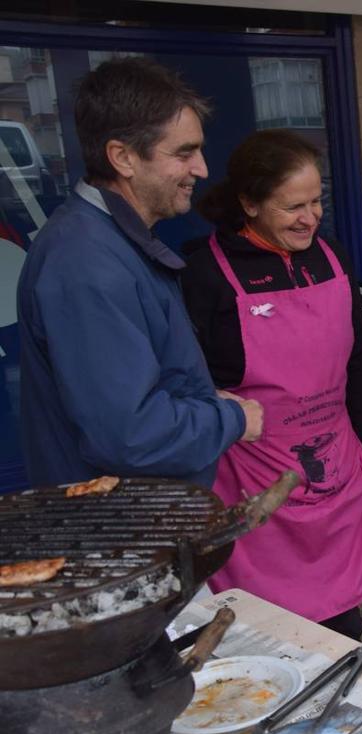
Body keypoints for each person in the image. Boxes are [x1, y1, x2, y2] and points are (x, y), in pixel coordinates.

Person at [181, 130, 362, 640]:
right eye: (293, 207)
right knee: (269, 622)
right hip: (253, 475)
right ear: (249, 203)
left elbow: (358, 361)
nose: (310, 217)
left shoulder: (332, 258)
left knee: (344, 607)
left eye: (317, 201)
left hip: (336, 460)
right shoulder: (204, 274)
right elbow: (189, 384)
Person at [17, 58, 260, 488]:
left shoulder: (109, 242)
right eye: (184, 153)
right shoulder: (86, 263)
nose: (202, 169)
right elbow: (128, 436)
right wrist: (230, 418)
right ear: (123, 157)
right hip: (113, 535)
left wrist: (202, 403)